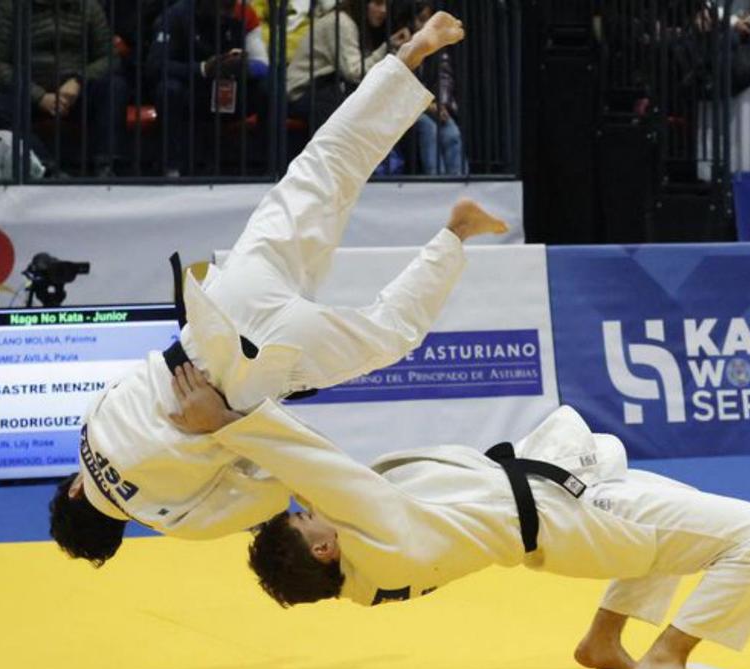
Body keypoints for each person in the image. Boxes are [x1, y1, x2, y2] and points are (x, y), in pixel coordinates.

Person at [50, 12, 503, 567]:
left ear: (115, 534)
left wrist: (220, 429)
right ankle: (407, 61)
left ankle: (456, 233)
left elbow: (268, 486)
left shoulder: (168, 517)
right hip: (218, 312)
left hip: (256, 375)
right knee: (322, 170)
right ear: (74, 489)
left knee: (391, 335)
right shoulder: (91, 427)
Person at [199, 392, 750, 669]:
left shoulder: (365, 556)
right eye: (307, 520)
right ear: (327, 548)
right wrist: (227, 422)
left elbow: (302, 475)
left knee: (681, 515)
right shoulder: (377, 538)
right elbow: (315, 464)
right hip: (573, 517)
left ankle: (603, 642)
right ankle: (667, 657)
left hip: (552, 505)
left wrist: (219, 433)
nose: (310, 505)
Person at [0, 0, 129, 176]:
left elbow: (109, 58)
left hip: (74, 93)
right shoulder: (10, 8)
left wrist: (79, 80)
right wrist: (38, 96)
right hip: (28, 92)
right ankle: (46, 168)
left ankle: (106, 167)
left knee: (115, 87)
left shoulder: (89, 6)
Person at [147, 0, 270, 177]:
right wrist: (203, 69)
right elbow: (155, 65)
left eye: (229, 6)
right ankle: (172, 168)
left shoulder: (243, 12)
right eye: (221, 6)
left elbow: (264, 65)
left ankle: (269, 168)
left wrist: (243, 68)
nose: (225, 12)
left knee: (269, 86)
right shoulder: (177, 14)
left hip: (231, 93)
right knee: (169, 89)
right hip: (194, 94)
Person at [285, 0, 411, 129]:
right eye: (378, 3)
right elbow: (354, 72)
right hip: (302, 91)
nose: (384, 10)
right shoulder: (342, 22)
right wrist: (386, 48)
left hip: (324, 89)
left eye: (387, 5)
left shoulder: (360, 23)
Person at [402, 0, 463, 176]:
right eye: (421, 20)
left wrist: (442, 104)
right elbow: (403, 86)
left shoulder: (435, 46)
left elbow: (444, 76)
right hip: (406, 108)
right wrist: (431, 107)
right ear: (411, 21)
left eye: (428, 21)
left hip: (431, 106)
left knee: (452, 132)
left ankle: (458, 181)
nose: (425, 27)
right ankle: (436, 179)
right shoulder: (402, 43)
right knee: (429, 129)